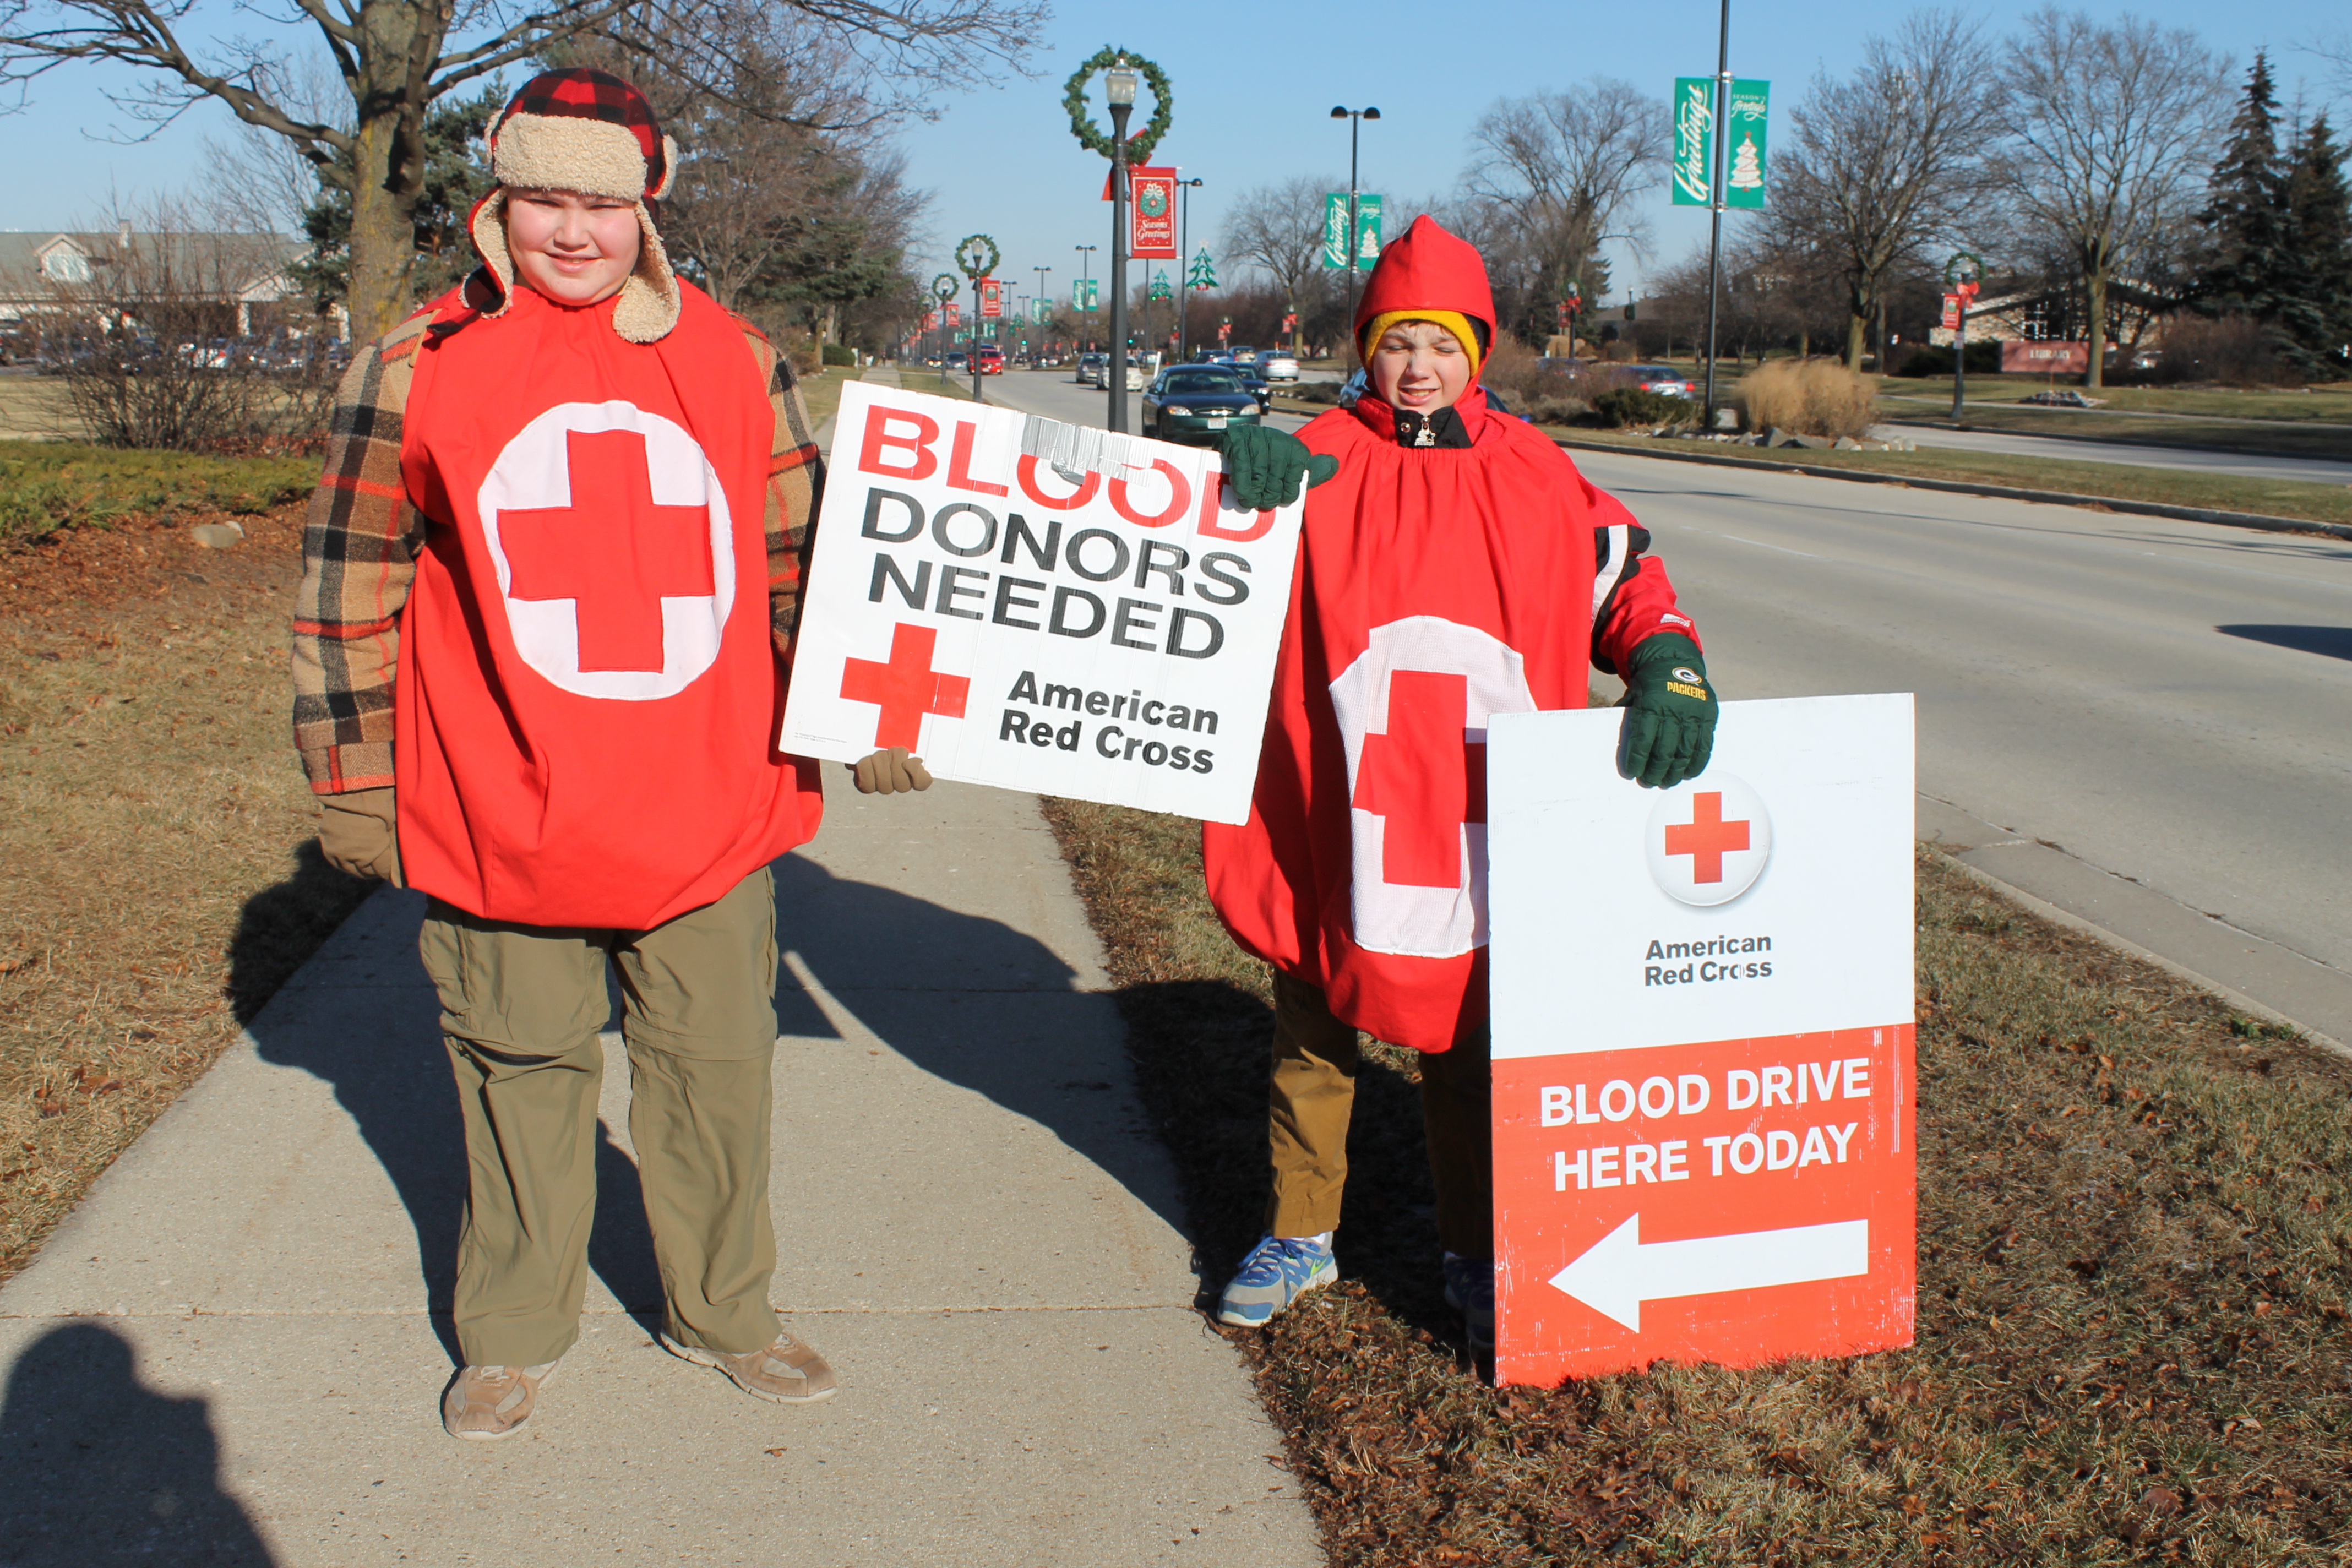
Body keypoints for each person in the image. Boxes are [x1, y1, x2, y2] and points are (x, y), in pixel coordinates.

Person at [289, 68, 929, 1441]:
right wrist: (349, 781)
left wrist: (868, 702)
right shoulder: (416, 363)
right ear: (498, 201)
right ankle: (513, 1326)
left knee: (715, 1072)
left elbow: (800, 564)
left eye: (601, 200)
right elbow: (350, 583)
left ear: (648, 207)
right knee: (517, 1069)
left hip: (706, 804)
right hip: (498, 802)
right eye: (543, 199)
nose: (572, 231)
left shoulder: (734, 358)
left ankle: (725, 1311)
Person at [1206, 216, 1719, 1358]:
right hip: (1344, 799)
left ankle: (1478, 1248)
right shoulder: (1317, 456)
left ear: (1476, 351)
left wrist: (1665, 658)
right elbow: (1186, 572)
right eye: (1397, 343)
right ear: (1367, 349)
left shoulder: (1538, 471)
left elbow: (1627, 579)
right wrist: (1236, 491)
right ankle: (1300, 1231)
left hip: (1487, 814)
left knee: (1478, 1042)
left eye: (1440, 342)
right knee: (1313, 1016)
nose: (1419, 365)